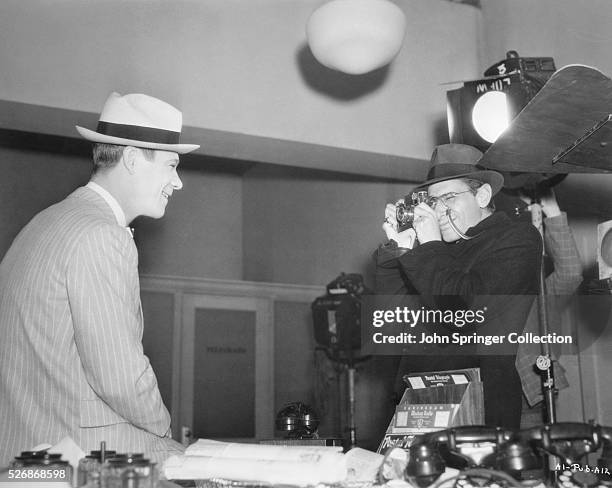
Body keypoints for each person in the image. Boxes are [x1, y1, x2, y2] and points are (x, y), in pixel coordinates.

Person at [0, 92, 199, 466]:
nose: (178, 182)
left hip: (26, 467)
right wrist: (164, 433)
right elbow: (120, 377)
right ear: (133, 158)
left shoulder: (43, 224)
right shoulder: (101, 235)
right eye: (171, 165)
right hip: (78, 464)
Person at [374, 143, 542, 429]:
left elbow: (464, 311)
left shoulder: (517, 238)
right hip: (417, 398)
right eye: (433, 201)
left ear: (483, 195)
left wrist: (429, 247)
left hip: (479, 404)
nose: (439, 211)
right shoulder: (435, 249)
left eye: (449, 197)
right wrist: (399, 251)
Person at [513, 188, 582, 423]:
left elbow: (570, 274)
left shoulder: (538, 294)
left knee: (539, 457)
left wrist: (551, 211)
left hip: (531, 395)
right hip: (484, 396)